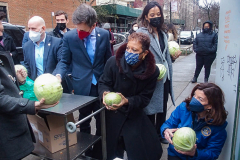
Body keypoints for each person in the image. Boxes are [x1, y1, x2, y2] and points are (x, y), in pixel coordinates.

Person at [99, 32, 162, 160]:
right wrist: (104, 93)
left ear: (144, 54)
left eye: (134, 50)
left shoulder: (152, 72)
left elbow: (145, 98)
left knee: (146, 150)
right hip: (112, 113)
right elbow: (103, 82)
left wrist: (127, 101)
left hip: (133, 113)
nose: (129, 52)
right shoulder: (113, 62)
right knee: (109, 151)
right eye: (128, 47)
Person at [0, 22, 58, 159]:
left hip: (12, 125)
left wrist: (17, 79)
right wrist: (32, 105)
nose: (2, 37)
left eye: (2, 31)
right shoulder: (27, 46)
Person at [55, 3, 111, 138]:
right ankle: (85, 148)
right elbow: (64, 61)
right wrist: (58, 75)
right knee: (84, 118)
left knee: (101, 119)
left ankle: (99, 149)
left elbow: (109, 60)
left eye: (83, 30)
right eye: (77, 28)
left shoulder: (104, 35)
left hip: (101, 84)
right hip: (81, 86)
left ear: (93, 25)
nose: (79, 32)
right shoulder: (69, 37)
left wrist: (112, 82)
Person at [137, 1, 181, 144]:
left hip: (164, 78)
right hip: (150, 77)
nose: (156, 17)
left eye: (158, 14)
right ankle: (150, 136)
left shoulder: (162, 33)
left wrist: (172, 59)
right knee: (150, 109)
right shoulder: (141, 33)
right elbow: (138, 57)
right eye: (152, 14)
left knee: (162, 107)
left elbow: (164, 55)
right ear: (146, 16)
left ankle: (160, 133)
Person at [161, 83, 228, 160]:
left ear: (210, 105)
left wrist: (195, 153)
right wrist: (165, 130)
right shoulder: (184, 107)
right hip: (175, 153)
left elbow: (213, 153)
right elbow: (169, 123)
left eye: (200, 99)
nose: (194, 100)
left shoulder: (218, 126)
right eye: (194, 95)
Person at [23, 16, 62, 82]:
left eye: (33, 29)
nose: (30, 31)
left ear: (43, 29)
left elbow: (61, 62)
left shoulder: (56, 43)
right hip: (36, 86)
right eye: (29, 28)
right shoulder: (27, 46)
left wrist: (57, 76)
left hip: (53, 84)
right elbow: (27, 65)